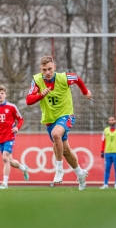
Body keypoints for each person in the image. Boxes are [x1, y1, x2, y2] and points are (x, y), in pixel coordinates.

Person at [26, 55, 92, 191]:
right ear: (41, 70)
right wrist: (40, 95)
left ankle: (59, 169)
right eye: (44, 70)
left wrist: (85, 92)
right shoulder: (37, 80)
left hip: (66, 114)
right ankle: (80, 174)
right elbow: (28, 100)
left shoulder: (64, 78)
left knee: (57, 135)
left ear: (54, 67)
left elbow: (77, 79)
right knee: (65, 150)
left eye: (50, 69)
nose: (48, 72)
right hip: (50, 119)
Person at [0, 85, 29, 189]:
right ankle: (24, 168)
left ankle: (5, 184)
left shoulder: (12, 107)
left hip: (10, 136)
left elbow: (20, 119)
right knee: (10, 161)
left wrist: (17, 128)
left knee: (5, 158)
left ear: (5, 95)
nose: (0, 95)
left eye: (2, 93)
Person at [100, 116, 116, 190]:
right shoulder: (105, 130)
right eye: (110, 120)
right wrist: (102, 151)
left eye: (112, 120)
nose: (111, 121)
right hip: (107, 152)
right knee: (107, 169)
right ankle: (105, 184)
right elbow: (103, 141)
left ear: (115, 121)